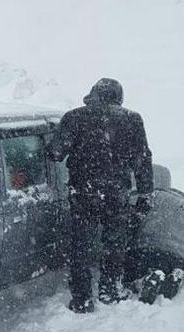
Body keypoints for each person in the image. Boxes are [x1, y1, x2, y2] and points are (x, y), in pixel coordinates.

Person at [47, 78, 153, 314]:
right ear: (118, 97)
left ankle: (82, 299)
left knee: (80, 246)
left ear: (93, 94)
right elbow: (142, 159)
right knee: (115, 244)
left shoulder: (74, 117)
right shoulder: (132, 119)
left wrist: (60, 141)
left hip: (83, 192)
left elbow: (55, 153)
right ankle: (109, 290)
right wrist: (146, 193)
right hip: (116, 194)